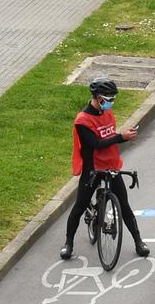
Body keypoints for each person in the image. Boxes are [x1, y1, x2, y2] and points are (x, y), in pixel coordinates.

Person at [61, 77, 149, 262]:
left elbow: (109, 139)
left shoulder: (108, 114)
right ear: (98, 98)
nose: (111, 102)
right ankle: (68, 243)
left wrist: (121, 137)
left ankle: (138, 241)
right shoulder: (82, 120)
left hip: (111, 165)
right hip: (92, 169)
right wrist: (121, 137)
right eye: (109, 99)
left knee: (124, 206)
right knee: (79, 206)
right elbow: (97, 144)